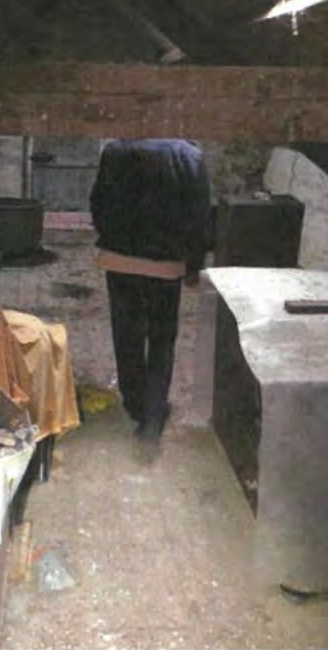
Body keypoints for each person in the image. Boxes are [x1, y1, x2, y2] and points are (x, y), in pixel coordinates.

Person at [90, 138, 212, 443]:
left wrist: (111, 239)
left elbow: (98, 204)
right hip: (165, 265)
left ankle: (135, 404)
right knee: (161, 340)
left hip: (120, 259)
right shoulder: (190, 156)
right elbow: (199, 216)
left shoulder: (115, 150)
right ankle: (153, 419)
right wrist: (194, 266)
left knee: (126, 334)